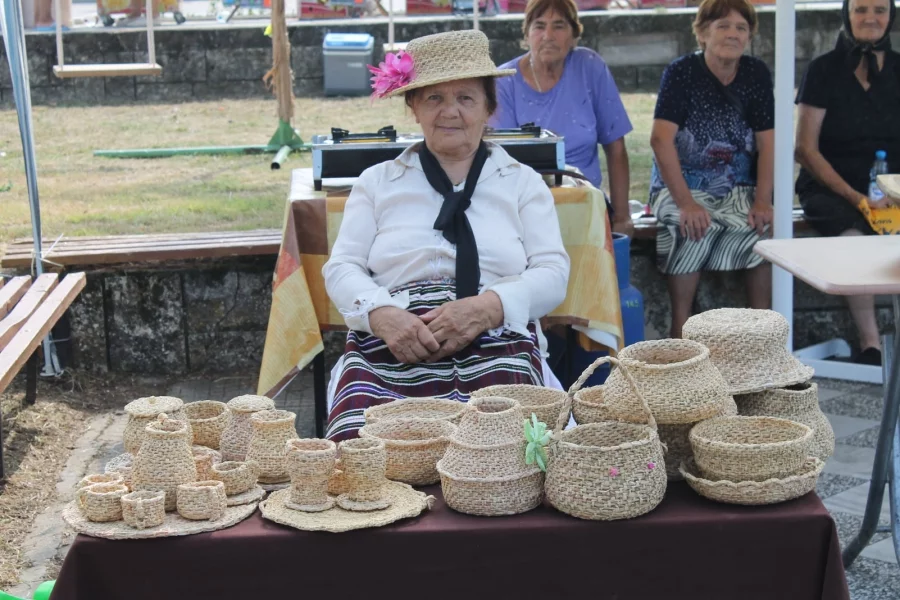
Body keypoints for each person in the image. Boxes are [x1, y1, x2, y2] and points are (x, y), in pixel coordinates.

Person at [322, 30, 571, 441]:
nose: (449, 111)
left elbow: (552, 271)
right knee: (362, 449)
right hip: (393, 339)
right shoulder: (378, 182)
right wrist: (382, 317)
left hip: (497, 335)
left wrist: (488, 308)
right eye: (434, 98)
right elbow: (343, 267)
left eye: (466, 98)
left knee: (507, 445)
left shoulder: (521, 182)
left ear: (489, 108)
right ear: (414, 107)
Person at [648, 0, 774, 338]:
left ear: (749, 36)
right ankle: (681, 332)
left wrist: (763, 200)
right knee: (687, 225)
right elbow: (660, 140)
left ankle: (763, 331)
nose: (732, 34)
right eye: (722, 26)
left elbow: (768, 142)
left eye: (741, 27)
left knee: (761, 228)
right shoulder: (681, 72)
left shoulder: (755, 73)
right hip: (682, 183)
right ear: (702, 33)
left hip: (739, 183)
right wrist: (687, 203)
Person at [794, 0, 900, 366]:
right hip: (831, 187)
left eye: (880, 9)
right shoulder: (823, 69)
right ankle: (871, 346)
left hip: (892, 188)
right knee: (854, 238)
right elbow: (805, 150)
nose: (871, 17)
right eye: (860, 9)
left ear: (891, 16)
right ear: (846, 14)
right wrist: (859, 199)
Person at [489, 0, 634, 238]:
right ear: (526, 34)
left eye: (559, 26)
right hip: (524, 210)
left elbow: (616, 148)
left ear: (574, 35)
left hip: (585, 203)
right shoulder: (504, 81)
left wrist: (622, 216)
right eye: (539, 26)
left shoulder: (590, 67)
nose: (548, 35)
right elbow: (500, 160)